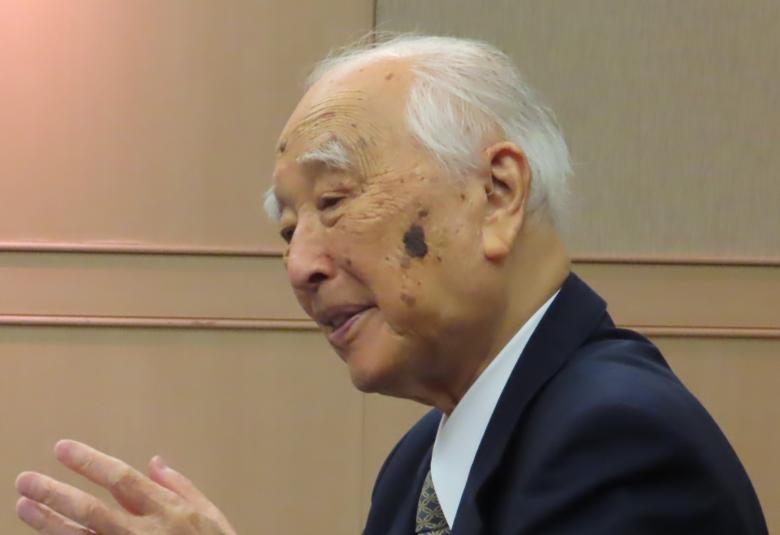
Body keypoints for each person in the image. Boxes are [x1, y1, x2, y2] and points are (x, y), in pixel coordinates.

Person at [14, 35, 768, 535]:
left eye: (334, 200)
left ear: (498, 194)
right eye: (288, 229)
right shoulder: (415, 466)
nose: (300, 266)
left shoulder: (617, 440)